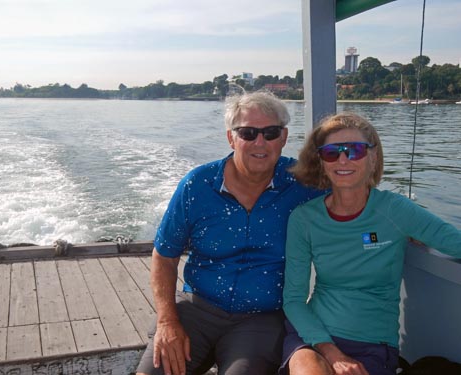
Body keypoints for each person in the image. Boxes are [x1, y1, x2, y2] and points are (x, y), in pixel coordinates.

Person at [136, 91, 325, 375]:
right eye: (248, 133)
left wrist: (397, 224)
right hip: (197, 310)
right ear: (231, 138)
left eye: (270, 133)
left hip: (261, 320)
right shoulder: (197, 185)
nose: (259, 142)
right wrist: (167, 321)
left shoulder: (303, 183)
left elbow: (353, 196)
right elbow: (164, 256)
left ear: (284, 138)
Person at [280, 112, 461, 375]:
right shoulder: (304, 218)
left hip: (373, 344)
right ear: (321, 160)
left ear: (373, 157)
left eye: (355, 150)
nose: (343, 159)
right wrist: (332, 352)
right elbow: (294, 300)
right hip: (313, 338)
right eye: (332, 152)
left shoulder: (396, 211)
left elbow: (454, 242)